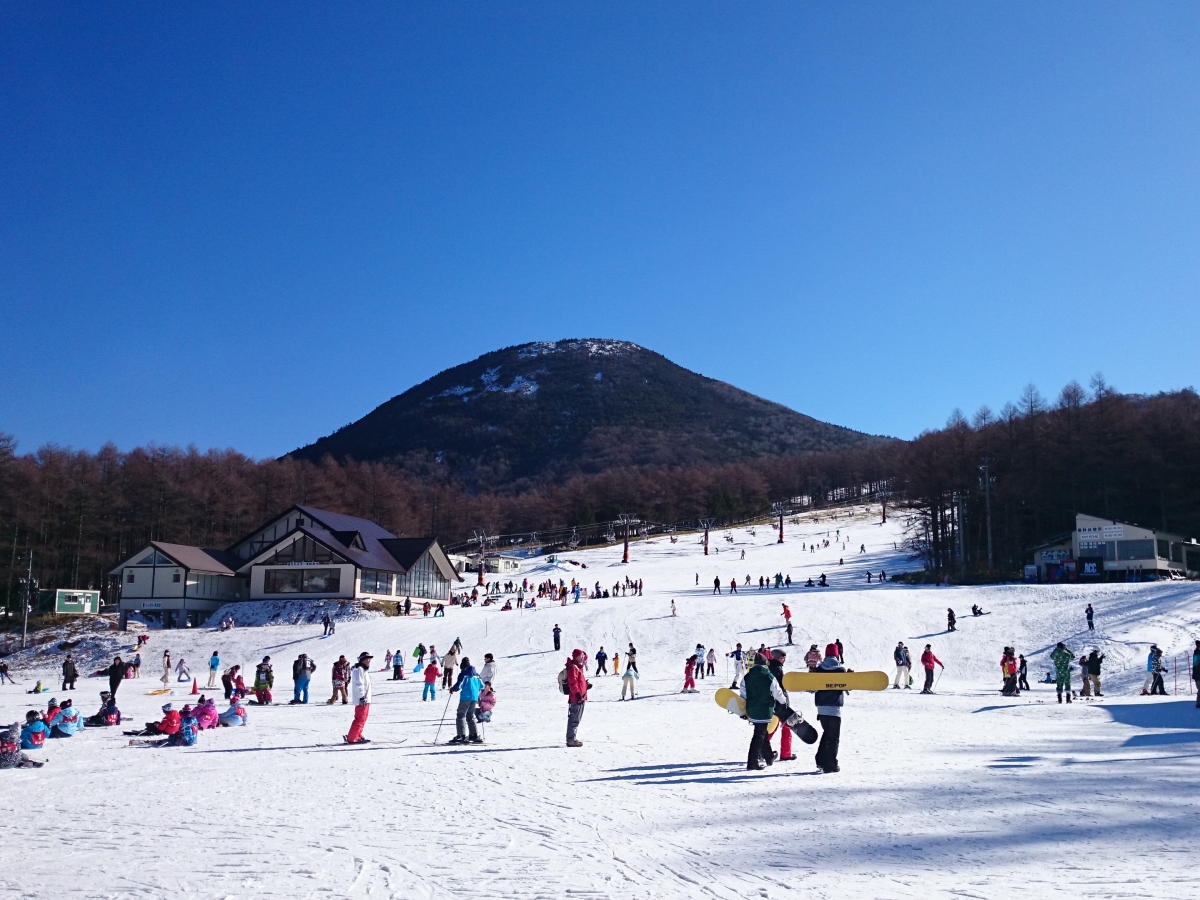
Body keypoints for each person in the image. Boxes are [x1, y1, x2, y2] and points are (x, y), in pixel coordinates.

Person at [740, 653, 787, 771]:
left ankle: (769, 756)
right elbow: (777, 692)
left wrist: (744, 708)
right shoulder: (768, 676)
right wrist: (783, 701)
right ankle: (752, 763)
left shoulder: (747, 676)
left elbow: (743, 694)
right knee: (758, 735)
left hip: (752, 709)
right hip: (765, 710)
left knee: (762, 732)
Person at [814, 652, 847, 773]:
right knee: (833, 738)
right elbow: (847, 687)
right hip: (834, 709)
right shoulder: (841, 670)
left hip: (821, 708)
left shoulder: (819, 669)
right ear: (837, 655)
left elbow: (812, 688)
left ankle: (820, 760)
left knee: (827, 734)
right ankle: (830, 764)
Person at [448, 657, 484, 744]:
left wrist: (452, 689)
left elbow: (459, 685)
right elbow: (482, 686)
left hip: (466, 697)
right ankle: (474, 735)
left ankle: (461, 735)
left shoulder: (464, 673)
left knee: (461, 714)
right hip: (474, 697)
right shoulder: (477, 675)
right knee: (470, 715)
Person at [344, 652, 373, 744]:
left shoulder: (363, 669)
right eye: (366, 659)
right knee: (360, 718)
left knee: (363, 718)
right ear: (362, 660)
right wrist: (361, 697)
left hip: (366, 699)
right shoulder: (359, 669)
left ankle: (358, 735)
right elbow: (359, 684)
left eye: (369, 659)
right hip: (362, 699)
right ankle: (352, 738)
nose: (368, 660)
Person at [564, 648, 589, 747]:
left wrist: (586, 686)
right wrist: (578, 694)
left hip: (581, 697)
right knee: (574, 719)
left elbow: (578, 682)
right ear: (577, 656)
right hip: (576, 698)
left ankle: (572, 738)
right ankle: (571, 740)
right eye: (581, 655)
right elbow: (572, 682)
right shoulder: (573, 667)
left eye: (583, 656)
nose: (583, 657)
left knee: (576, 719)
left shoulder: (578, 667)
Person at [1191, 639, 1200, 709]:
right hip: (1198, 673)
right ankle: (1198, 702)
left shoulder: (1197, 653)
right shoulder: (1197, 653)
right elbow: (1196, 664)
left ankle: (1198, 702)